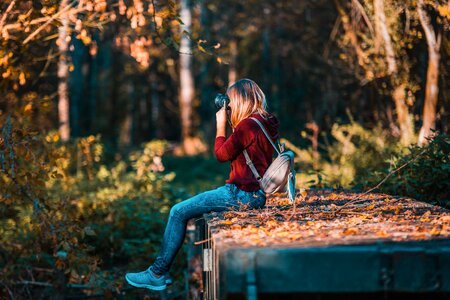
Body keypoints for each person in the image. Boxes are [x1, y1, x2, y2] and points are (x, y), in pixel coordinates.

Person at [125, 78, 279, 290]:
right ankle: (158, 272)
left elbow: (221, 154)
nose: (229, 105)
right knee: (185, 210)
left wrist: (220, 126)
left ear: (241, 100)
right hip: (257, 194)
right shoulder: (267, 121)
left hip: (240, 194)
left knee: (177, 212)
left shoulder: (247, 126)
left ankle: (157, 273)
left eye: (231, 100)